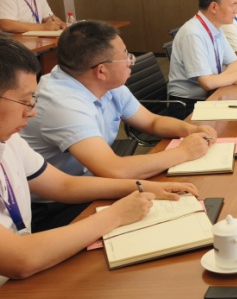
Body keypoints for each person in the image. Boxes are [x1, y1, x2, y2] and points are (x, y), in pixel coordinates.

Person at [0, 36, 197, 281]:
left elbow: (64, 184)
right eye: (24, 100)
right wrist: (115, 215)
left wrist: (143, 186)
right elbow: (21, 259)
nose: (32, 111)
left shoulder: (10, 140)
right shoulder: (57, 104)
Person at [22, 20, 216, 187]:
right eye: (125, 56)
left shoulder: (103, 82)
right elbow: (115, 170)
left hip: (93, 179)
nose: (130, 61)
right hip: (59, 201)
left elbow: (152, 122)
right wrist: (183, 152)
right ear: (101, 70)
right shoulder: (62, 104)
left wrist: (190, 130)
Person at [167, 0, 237, 117]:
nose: (236, 9)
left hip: (211, 95)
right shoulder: (193, 33)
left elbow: (235, 64)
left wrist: (218, 80)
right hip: (188, 105)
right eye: (233, 4)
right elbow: (207, 83)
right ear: (214, 7)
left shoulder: (216, 28)